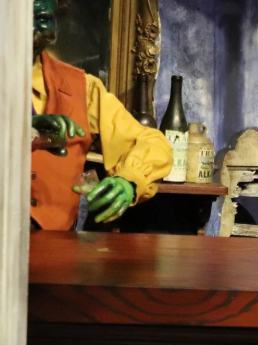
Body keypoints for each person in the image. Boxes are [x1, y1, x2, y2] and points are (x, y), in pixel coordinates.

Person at [30, 0, 172, 229]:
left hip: (55, 245)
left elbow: (152, 142)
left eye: (43, 17)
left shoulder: (83, 88)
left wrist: (129, 180)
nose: (30, 26)